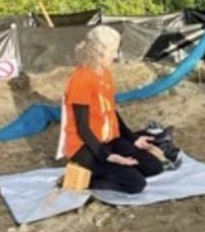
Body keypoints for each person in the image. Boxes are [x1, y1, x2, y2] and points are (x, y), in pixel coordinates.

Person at [61, 26, 163, 193]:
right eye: (113, 51)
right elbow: (83, 127)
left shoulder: (104, 72)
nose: (116, 56)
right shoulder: (81, 80)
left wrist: (132, 138)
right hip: (86, 146)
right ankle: (82, 180)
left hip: (110, 139)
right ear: (98, 53)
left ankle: (113, 169)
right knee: (136, 184)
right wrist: (107, 156)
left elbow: (110, 111)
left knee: (154, 167)